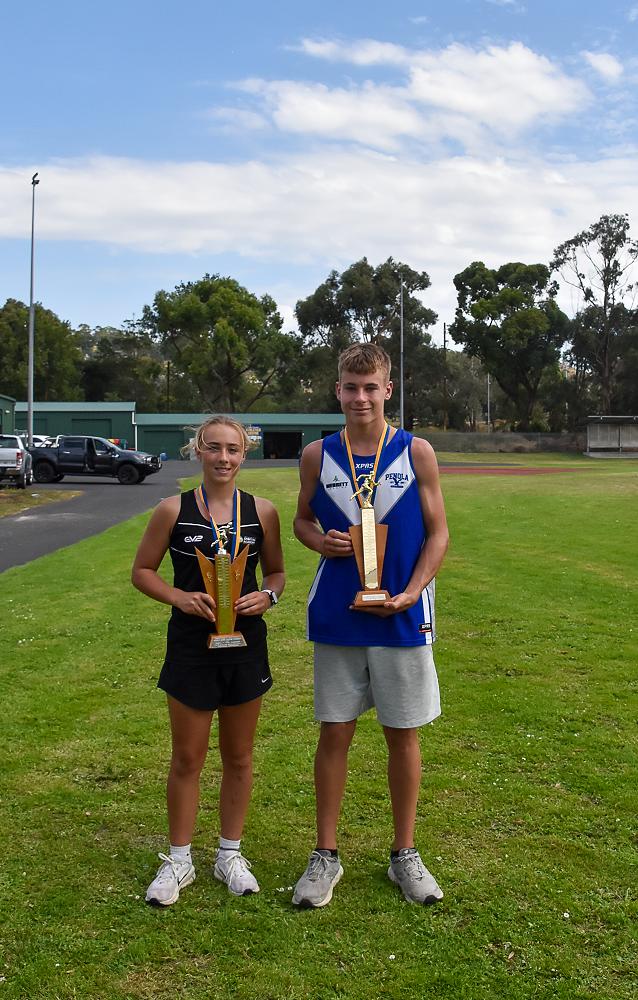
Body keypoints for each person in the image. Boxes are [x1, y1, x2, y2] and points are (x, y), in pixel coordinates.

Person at [291, 343, 449, 908]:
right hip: (339, 616)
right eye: (351, 387)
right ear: (338, 390)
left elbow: (439, 533)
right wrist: (320, 541)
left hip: (401, 615)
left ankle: (404, 853)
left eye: (370, 387)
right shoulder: (317, 455)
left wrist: (413, 591)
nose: (361, 397)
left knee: (402, 734)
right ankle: (325, 855)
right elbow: (301, 521)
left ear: (388, 389)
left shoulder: (416, 451)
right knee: (334, 732)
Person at [132, 415, 284, 906]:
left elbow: (277, 574)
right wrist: (178, 597)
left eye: (232, 449)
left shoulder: (262, 511)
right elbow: (142, 571)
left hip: (245, 647)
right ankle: (179, 860)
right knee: (187, 757)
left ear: (244, 454)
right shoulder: (171, 510)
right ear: (197, 450)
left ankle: (229, 855)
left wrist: (268, 596)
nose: (223, 457)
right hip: (191, 649)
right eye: (213, 447)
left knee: (239, 757)